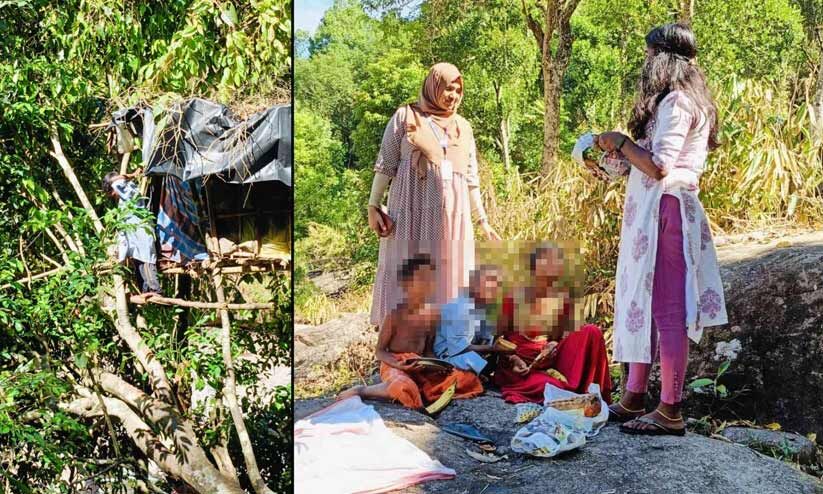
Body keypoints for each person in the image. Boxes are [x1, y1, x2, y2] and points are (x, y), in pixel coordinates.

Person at [596, 23, 728, 436]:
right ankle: (635, 394)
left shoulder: (678, 102)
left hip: (667, 209)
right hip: (653, 213)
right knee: (641, 302)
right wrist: (606, 157)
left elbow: (659, 165)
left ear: (664, 58)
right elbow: (644, 161)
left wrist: (619, 141)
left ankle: (670, 409)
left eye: (651, 54)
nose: (646, 62)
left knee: (668, 309)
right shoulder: (675, 102)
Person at [367, 62, 501, 331]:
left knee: (450, 275)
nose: (453, 95)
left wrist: (483, 222)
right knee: (410, 273)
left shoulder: (464, 127)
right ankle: (402, 340)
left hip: (453, 218)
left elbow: (471, 180)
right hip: (411, 213)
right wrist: (373, 204)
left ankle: (443, 343)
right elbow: (386, 165)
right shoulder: (406, 117)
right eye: (447, 88)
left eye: (458, 90)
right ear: (433, 87)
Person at [338, 254, 483, 409]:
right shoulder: (395, 314)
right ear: (406, 284)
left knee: (465, 379)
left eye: (431, 279)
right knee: (403, 386)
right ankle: (364, 391)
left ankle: (421, 389)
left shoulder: (432, 315)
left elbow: (428, 351)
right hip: (395, 364)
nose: (427, 284)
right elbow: (380, 351)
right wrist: (399, 365)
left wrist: (439, 367)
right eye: (421, 279)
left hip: (420, 364)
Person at [494, 245, 612, 404]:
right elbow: (496, 341)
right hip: (519, 367)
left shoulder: (562, 297)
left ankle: (596, 396)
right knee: (552, 387)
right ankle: (569, 393)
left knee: (592, 331)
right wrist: (513, 358)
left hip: (549, 362)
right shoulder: (512, 297)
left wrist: (552, 346)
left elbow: (562, 337)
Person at [434, 265, 513, 376]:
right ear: (474, 283)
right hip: (449, 355)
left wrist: (496, 341)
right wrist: (492, 348)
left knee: (500, 359)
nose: (495, 287)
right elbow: (459, 348)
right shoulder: (459, 307)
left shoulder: (483, 305)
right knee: (476, 361)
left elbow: (486, 338)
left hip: (470, 351)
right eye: (490, 280)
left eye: (499, 284)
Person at [102, 168, 161, 299]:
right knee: (139, 263)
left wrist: (131, 175)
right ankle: (145, 291)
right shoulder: (124, 200)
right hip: (135, 238)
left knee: (146, 261)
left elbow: (118, 182)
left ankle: (155, 291)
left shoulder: (130, 192)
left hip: (141, 234)